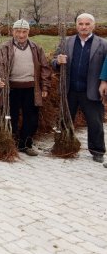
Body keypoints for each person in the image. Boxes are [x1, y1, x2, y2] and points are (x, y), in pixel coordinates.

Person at [53, 13, 107, 163]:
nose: (84, 27)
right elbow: (53, 61)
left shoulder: (103, 44)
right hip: (69, 89)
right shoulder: (67, 42)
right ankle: (64, 145)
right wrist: (57, 61)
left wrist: (105, 81)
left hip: (91, 90)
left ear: (93, 26)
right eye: (81, 24)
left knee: (95, 122)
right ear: (76, 25)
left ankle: (97, 150)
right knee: (65, 119)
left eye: (87, 24)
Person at [0, 19, 51, 156]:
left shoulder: (36, 48)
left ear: (28, 32)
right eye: (18, 31)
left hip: (31, 88)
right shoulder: (4, 47)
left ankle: (25, 145)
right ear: (13, 31)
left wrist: (45, 87)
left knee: (31, 118)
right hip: (11, 88)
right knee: (10, 117)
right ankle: (11, 143)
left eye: (24, 32)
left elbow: (45, 68)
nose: (21, 35)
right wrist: (0, 78)